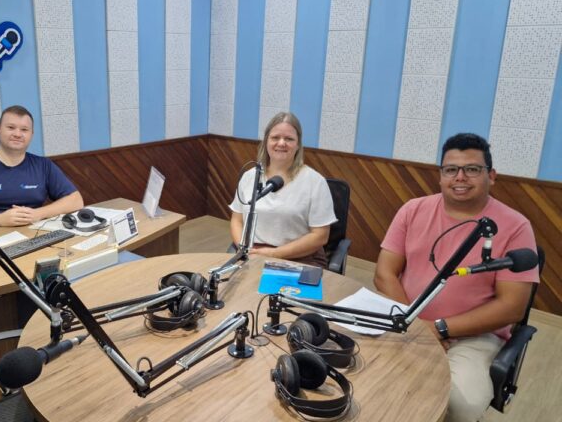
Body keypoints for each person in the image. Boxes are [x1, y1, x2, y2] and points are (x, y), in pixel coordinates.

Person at [374, 133, 539, 422]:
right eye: (451, 169)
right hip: (405, 320)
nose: (460, 177)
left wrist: (439, 329)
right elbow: (384, 273)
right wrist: (415, 326)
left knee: (460, 404)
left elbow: (512, 307)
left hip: (472, 336)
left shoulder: (515, 226)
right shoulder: (413, 210)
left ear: (491, 176)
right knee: (362, 371)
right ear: (441, 176)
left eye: (472, 169)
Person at [229, 112, 336, 267]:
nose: (281, 143)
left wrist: (274, 254)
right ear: (266, 141)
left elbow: (320, 236)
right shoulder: (249, 176)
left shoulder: (315, 182)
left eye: (289, 139)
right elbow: (237, 220)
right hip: (253, 254)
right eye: (275, 137)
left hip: (299, 257)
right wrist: (243, 248)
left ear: (298, 145)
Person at [0, 105, 83, 228]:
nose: (17, 134)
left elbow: (76, 200)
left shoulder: (43, 165)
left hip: (33, 233)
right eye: (11, 127)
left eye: (24, 130)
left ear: (31, 134)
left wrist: (38, 214)